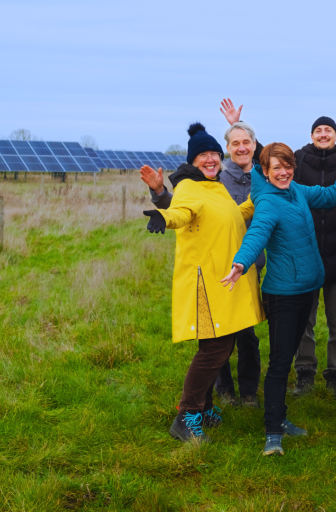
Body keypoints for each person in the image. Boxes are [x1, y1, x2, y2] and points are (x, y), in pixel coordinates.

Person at [219, 92, 336, 399]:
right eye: (318, 129)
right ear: (310, 135)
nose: (322, 133)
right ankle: (304, 373)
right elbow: (269, 164)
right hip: (300, 264)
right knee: (303, 326)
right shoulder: (295, 164)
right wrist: (239, 128)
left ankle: (335, 376)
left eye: (328, 130)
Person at [141, 122, 264, 444]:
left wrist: (255, 201)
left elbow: (230, 216)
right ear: (193, 161)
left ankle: (204, 408)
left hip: (225, 282)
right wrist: (163, 217)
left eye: (214, 154)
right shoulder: (190, 188)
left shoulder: (215, 186)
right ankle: (187, 417)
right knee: (214, 350)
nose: (210, 159)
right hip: (206, 285)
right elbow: (182, 212)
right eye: (204, 156)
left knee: (219, 348)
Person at [221, 142, 336, 456]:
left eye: (287, 165)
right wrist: (241, 262)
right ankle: (273, 432)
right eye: (276, 167)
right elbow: (258, 232)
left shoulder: (298, 191)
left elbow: (330, 195)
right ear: (265, 171)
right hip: (283, 296)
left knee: (287, 358)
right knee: (279, 365)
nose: (284, 171)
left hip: (307, 289)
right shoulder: (266, 201)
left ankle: (281, 417)